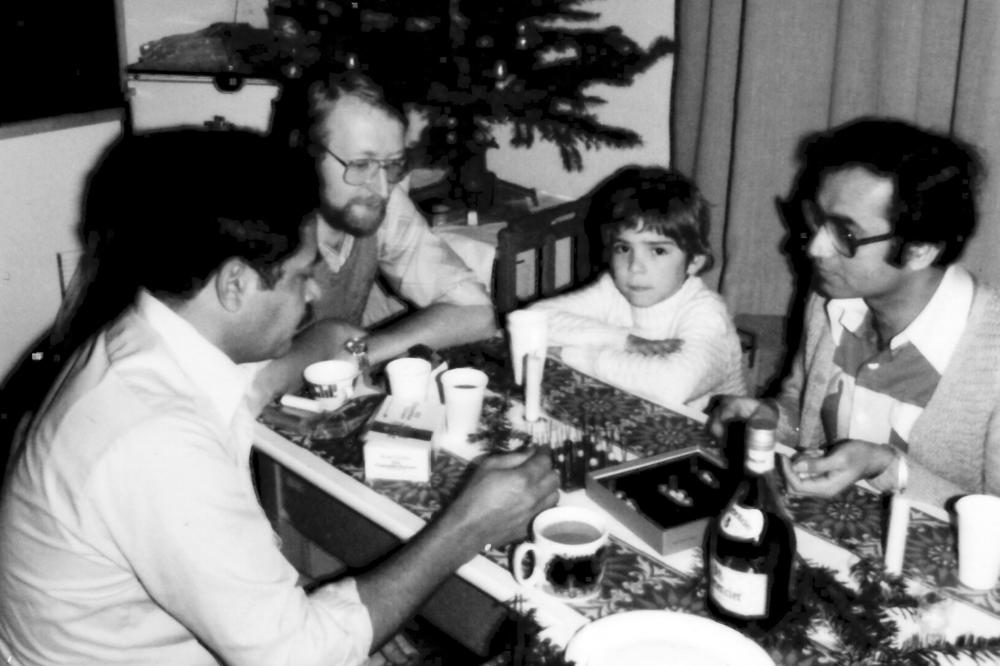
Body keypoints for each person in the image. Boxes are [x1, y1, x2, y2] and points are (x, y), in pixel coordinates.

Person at [0, 129, 559, 665]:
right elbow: (296, 656)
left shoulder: (142, 337)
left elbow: (255, 382)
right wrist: (468, 527)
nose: (315, 294)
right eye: (300, 276)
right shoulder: (154, 440)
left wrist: (311, 352)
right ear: (236, 284)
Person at [708, 116, 1000, 508]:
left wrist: (887, 467)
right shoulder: (831, 300)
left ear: (920, 248)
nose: (815, 249)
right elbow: (802, 410)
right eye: (816, 221)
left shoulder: (990, 359)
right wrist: (771, 417)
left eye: (845, 234)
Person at [292, 70, 497, 366]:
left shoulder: (379, 204)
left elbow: (476, 313)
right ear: (307, 154)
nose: (382, 188)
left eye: (392, 165)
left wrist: (359, 353)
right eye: (361, 164)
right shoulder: (262, 233)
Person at [527, 166, 747, 411]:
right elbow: (531, 320)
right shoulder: (613, 290)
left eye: (658, 251)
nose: (635, 268)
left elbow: (670, 387)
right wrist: (623, 340)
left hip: (713, 438)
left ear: (694, 261)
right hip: (631, 413)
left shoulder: (707, 312)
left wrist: (572, 355)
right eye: (623, 248)